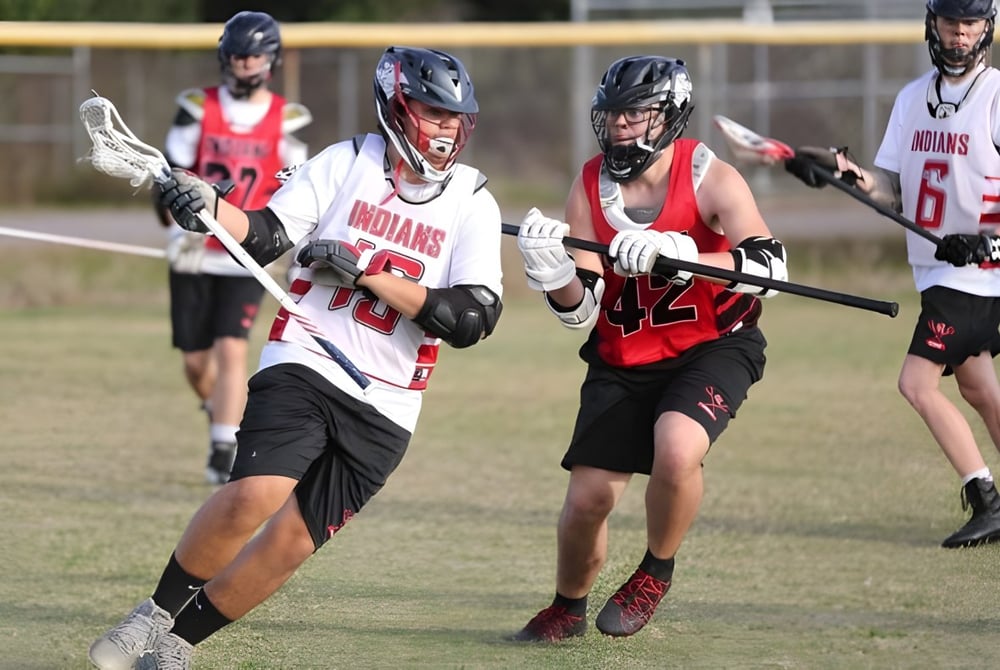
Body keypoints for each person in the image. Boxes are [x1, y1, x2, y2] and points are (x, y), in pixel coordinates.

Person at [87, 45, 503, 670]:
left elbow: (472, 318)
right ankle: (152, 615)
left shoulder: (472, 200)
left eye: (454, 117)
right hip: (307, 356)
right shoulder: (346, 162)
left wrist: (369, 275)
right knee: (258, 490)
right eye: (430, 112)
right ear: (395, 107)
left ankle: (175, 648)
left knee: (288, 543)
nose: (445, 128)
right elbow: (266, 233)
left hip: (391, 401)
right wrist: (209, 205)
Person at [512, 55, 787, 641]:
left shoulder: (708, 176)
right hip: (623, 355)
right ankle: (568, 606)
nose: (620, 128)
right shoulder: (588, 186)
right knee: (587, 501)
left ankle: (655, 571)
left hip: (712, 345)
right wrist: (550, 271)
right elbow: (581, 310)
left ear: (669, 116)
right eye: (613, 116)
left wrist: (689, 257)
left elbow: (772, 265)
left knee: (677, 446)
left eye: (635, 114)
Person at [785, 0, 1000, 549]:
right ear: (933, 23)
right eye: (951, 23)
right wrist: (843, 173)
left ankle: (986, 499)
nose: (958, 36)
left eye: (969, 25)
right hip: (935, 269)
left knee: (915, 383)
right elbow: (891, 187)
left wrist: (985, 240)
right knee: (977, 387)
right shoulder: (911, 99)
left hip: (976, 273)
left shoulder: (995, 96)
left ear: (986, 28)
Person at [157, 10, 312, 484]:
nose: (245, 65)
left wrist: (294, 248)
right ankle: (216, 410)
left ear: (271, 59)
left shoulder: (287, 120)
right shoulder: (197, 107)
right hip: (195, 249)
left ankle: (222, 448)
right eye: (238, 56)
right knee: (194, 360)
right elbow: (169, 178)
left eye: (254, 56)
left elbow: (299, 193)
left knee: (232, 348)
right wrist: (175, 230)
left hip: (247, 251)